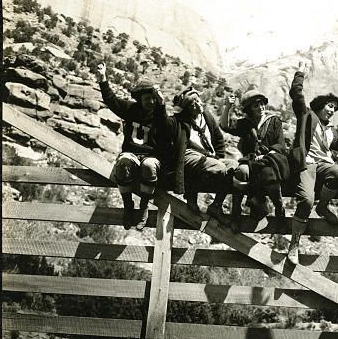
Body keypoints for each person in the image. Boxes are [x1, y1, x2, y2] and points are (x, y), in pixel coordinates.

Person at [96, 62, 186, 231]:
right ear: (139, 99)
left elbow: (168, 129)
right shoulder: (130, 109)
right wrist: (103, 79)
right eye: (147, 99)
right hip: (131, 153)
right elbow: (111, 100)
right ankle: (128, 205)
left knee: (149, 166)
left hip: (151, 157)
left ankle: (144, 206)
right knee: (122, 165)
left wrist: (161, 105)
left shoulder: (160, 115)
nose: (150, 102)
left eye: (153, 98)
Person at [286, 61, 338, 265]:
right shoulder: (307, 116)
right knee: (307, 201)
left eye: (335, 108)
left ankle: (323, 206)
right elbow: (296, 95)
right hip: (306, 164)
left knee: (337, 170)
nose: (332, 110)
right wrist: (300, 74)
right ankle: (294, 244)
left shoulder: (331, 132)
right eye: (329, 106)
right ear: (320, 106)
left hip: (324, 166)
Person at [220, 89, 289, 232]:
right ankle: (236, 214)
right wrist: (228, 107)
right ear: (249, 109)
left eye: (262, 104)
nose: (261, 108)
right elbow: (225, 126)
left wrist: (266, 155)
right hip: (251, 160)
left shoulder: (274, 121)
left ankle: (279, 208)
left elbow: (280, 144)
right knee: (241, 172)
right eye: (256, 105)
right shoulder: (245, 123)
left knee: (269, 175)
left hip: (270, 159)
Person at [173, 86, 238, 225]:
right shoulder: (181, 121)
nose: (198, 104)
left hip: (209, 157)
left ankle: (216, 206)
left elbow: (219, 139)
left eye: (198, 100)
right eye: (193, 103)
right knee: (219, 168)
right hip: (191, 155)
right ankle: (191, 194)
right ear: (187, 109)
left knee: (233, 166)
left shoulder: (206, 116)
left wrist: (219, 156)